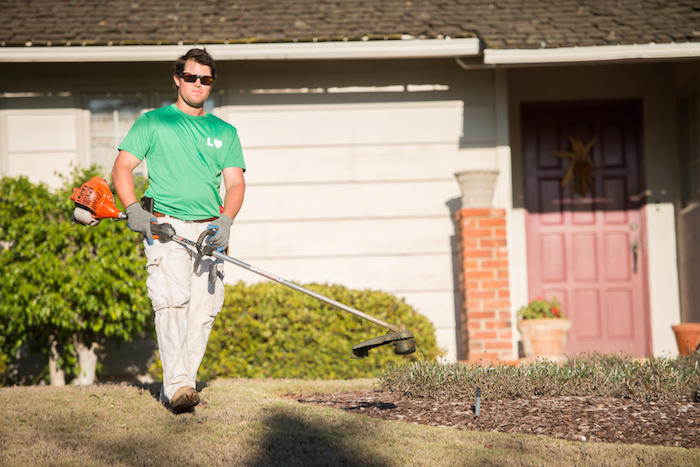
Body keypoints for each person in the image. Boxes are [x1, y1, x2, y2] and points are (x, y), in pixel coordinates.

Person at [111, 48, 246, 413]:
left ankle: (179, 384)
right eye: (191, 77)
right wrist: (133, 210)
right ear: (177, 79)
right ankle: (180, 386)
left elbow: (235, 184)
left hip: (209, 232)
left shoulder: (224, 131)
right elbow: (122, 167)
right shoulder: (152, 122)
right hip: (165, 226)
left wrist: (226, 221)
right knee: (171, 301)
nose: (198, 84)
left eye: (205, 78)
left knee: (204, 310)